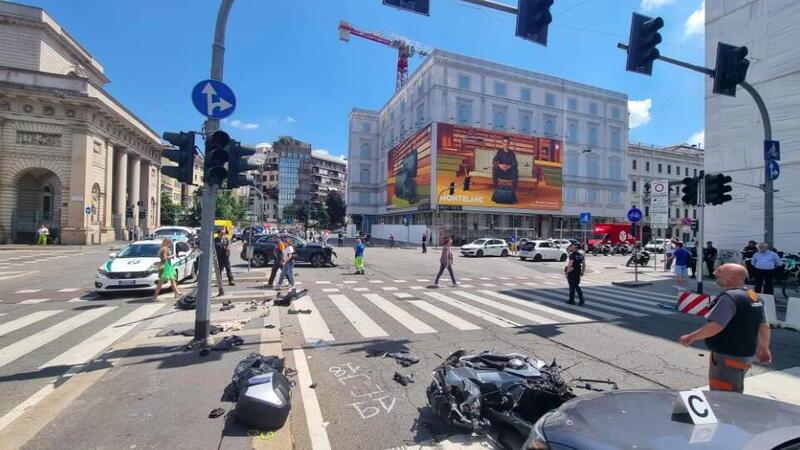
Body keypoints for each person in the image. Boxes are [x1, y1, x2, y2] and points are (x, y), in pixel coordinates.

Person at [679, 264, 771, 393]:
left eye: (720, 271)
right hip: (745, 354)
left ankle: (725, 413)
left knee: (723, 393)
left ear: (731, 277)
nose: (715, 272)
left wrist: (690, 337)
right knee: (734, 387)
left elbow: (715, 326)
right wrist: (764, 348)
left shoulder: (728, 298)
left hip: (727, 355)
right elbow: (764, 326)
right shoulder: (753, 295)